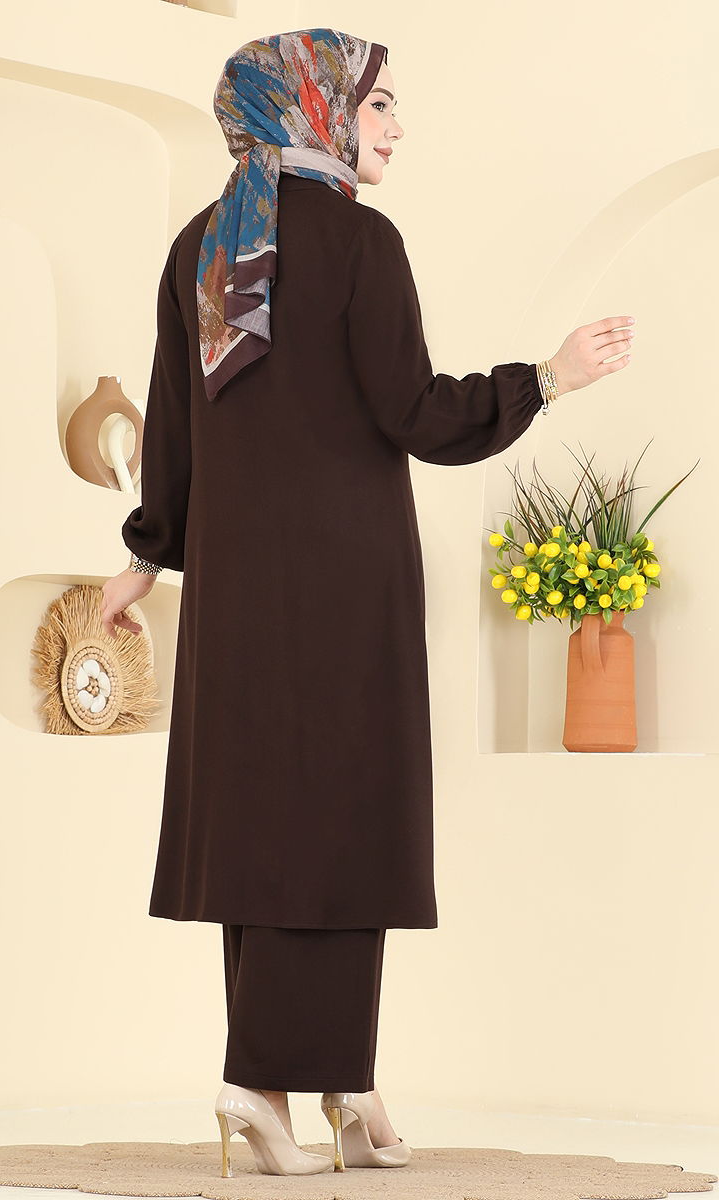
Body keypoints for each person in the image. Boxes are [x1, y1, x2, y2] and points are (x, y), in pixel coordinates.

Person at [100, 28, 636, 1179]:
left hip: (236, 591)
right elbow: (415, 415)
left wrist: (146, 556)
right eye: (377, 103)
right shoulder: (359, 241)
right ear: (314, 108)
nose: (394, 126)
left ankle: (337, 1086)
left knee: (264, 827)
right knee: (341, 825)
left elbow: (174, 428)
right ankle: (260, 1086)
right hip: (344, 587)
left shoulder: (202, 247)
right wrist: (546, 379)